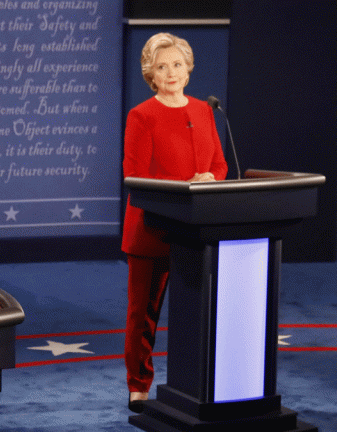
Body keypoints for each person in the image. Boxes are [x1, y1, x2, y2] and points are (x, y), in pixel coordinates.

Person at [121, 33, 228, 413]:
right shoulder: (142, 115)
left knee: (194, 313)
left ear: (188, 69)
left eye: (177, 65)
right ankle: (139, 384)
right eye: (162, 66)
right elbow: (134, 175)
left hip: (196, 231)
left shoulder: (204, 111)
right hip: (151, 231)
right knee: (142, 317)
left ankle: (193, 382)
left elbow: (218, 164)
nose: (171, 72)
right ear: (150, 72)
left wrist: (211, 178)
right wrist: (185, 186)